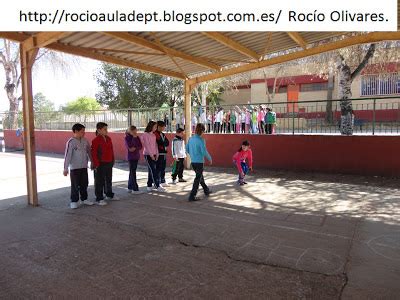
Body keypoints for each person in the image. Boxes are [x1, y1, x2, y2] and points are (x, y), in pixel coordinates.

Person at [63, 123, 94, 209]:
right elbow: (67, 156)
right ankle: (74, 201)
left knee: (84, 184)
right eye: (82, 131)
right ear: (76, 131)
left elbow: (89, 152)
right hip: (74, 168)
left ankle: (84, 199)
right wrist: (65, 168)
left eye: (84, 131)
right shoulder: (71, 142)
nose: (84, 133)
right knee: (75, 185)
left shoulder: (85, 140)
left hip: (84, 167)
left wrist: (92, 162)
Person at [91, 122, 118, 205]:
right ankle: (99, 198)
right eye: (105, 129)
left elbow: (111, 150)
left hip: (109, 162)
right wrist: (96, 164)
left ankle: (109, 194)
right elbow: (94, 153)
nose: (107, 131)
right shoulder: (95, 140)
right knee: (99, 181)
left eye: (107, 129)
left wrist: (113, 160)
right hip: (100, 163)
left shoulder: (109, 138)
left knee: (108, 179)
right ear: (99, 130)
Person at [186, 123, 212, 202]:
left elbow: (187, 149)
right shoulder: (201, 140)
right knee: (198, 178)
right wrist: (210, 158)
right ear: (202, 131)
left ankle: (206, 190)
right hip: (199, 162)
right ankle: (192, 196)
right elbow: (204, 151)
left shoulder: (190, 139)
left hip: (193, 162)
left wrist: (192, 155)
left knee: (200, 177)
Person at [141, 121, 165, 192]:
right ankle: (157, 186)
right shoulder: (145, 135)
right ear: (151, 126)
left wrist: (157, 154)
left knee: (151, 170)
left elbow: (155, 145)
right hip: (148, 155)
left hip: (154, 154)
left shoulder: (153, 135)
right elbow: (147, 146)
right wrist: (151, 155)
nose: (156, 128)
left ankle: (149, 185)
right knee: (153, 170)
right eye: (155, 126)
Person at [125, 125, 143, 194]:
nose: (136, 132)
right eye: (134, 131)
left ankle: (129, 187)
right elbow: (130, 147)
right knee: (133, 173)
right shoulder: (127, 138)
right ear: (130, 131)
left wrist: (135, 147)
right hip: (131, 157)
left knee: (132, 172)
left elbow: (140, 146)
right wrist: (134, 139)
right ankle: (135, 189)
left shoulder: (137, 137)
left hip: (136, 156)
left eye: (136, 131)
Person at [155, 120, 170, 188]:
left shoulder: (162, 134)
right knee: (158, 168)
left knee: (163, 168)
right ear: (159, 127)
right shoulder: (155, 134)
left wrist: (163, 143)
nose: (164, 128)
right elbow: (159, 143)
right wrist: (163, 143)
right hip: (158, 153)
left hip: (163, 153)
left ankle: (163, 181)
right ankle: (157, 182)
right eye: (163, 126)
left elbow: (167, 142)